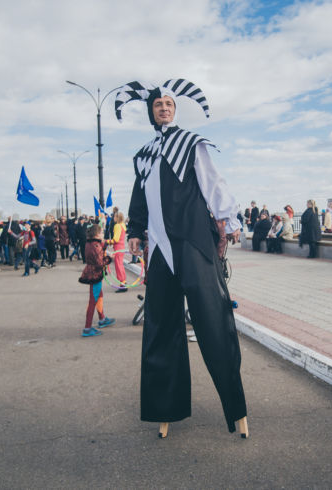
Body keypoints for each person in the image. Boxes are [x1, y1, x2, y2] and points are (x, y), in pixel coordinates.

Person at [117, 78, 248, 437]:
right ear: (151, 111)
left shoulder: (190, 144)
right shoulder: (143, 155)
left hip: (192, 243)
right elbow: (139, 202)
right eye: (158, 105)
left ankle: (236, 409)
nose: (164, 109)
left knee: (213, 321)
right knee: (160, 329)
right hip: (160, 250)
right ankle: (165, 410)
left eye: (169, 105)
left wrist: (229, 220)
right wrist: (134, 233)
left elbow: (213, 183)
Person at [78, 224, 115, 337]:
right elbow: (99, 263)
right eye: (102, 232)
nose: (103, 234)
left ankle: (102, 319)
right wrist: (109, 259)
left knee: (99, 296)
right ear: (97, 234)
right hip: (95, 274)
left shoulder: (90, 243)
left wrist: (104, 246)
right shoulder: (96, 245)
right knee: (93, 301)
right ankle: (87, 328)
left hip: (91, 272)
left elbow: (96, 254)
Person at [109, 212, 127, 292]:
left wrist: (107, 241)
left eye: (114, 217)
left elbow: (115, 239)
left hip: (118, 247)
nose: (113, 218)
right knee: (121, 265)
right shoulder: (123, 225)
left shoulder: (117, 226)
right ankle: (124, 281)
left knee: (118, 266)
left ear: (117, 217)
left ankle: (122, 284)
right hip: (122, 247)